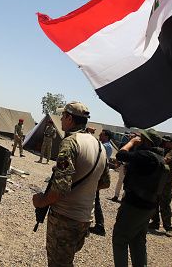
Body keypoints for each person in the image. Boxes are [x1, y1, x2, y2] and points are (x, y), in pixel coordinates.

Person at [32, 102, 106, 267]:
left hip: (65, 219)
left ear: (70, 118)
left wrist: (40, 201)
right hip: (84, 219)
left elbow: (61, 188)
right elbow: (104, 182)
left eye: (63, 116)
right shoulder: (99, 146)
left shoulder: (70, 143)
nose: (61, 120)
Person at [112, 129, 168, 267]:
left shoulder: (146, 156)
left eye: (142, 139)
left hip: (134, 205)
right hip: (148, 206)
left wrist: (130, 142)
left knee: (120, 239)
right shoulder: (159, 158)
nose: (139, 140)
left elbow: (121, 154)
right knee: (138, 241)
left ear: (148, 142)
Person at [149, 135, 172, 237]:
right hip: (158, 181)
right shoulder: (162, 150)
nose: (165, 143)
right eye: (164, 141)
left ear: (171, 143)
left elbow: (165, 160)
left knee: (165, 205)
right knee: (154, 202)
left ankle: (168, 227)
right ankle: (155, 222)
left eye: (167, 142)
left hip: (166, 183)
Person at [90, 129, 114, 236]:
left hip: (98, 176)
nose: (100, 135)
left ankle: (100, 225)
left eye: (102, 134)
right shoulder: (105, 144)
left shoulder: (106, 146)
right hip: (98, 175)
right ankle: (99, 225)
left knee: (95, 199)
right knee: (94, 198)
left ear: (107, 136)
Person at [111, 132, 136, 202]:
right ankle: (116, 195)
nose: (130, 137)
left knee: (127, 182)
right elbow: (119, 153)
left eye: (132, 136)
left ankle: (124, 197)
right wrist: (117, 162)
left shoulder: (136, 147)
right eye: (130, 136)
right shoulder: (123, 144)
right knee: (120, 181)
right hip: (123, 165)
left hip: (130, 167)